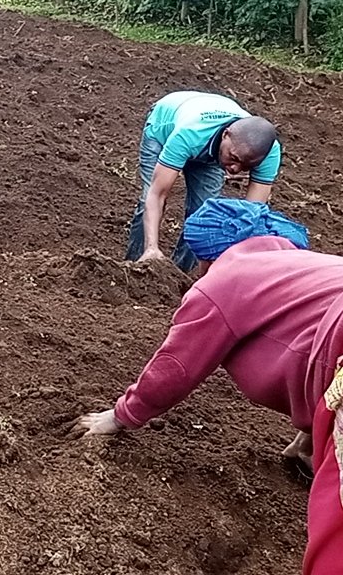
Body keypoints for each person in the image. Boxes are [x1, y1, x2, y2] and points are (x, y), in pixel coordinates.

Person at [70, 198, 341, 574]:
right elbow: (313, 344)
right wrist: (313, 434)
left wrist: (120, 416)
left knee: (336, 530)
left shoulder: (224, 281)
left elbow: (176, 366)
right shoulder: (305, 265)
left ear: (208, 256)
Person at [127, 90, 282, 271]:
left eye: (246, 166)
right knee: (149, 197)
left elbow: (251, 215)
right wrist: (152, 248)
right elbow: (157, 194)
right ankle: (137, 265)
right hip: (164, 128)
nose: (234, 170)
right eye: (234, 158)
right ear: (226, 135)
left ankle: (182, 277)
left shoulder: (268, 152)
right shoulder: (190, 133)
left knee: (203, 214)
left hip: (210, 147)